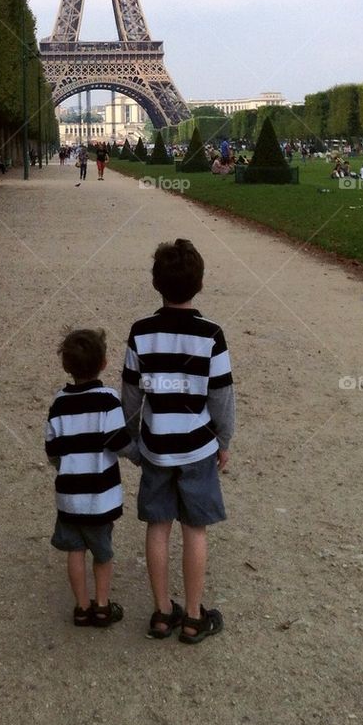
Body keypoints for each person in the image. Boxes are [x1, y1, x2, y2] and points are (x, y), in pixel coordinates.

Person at [122, 239, 235, 644]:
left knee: (157, 525)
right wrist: (223, 440)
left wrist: (134, 441)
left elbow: (131, 397)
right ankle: (191, 616)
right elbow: (221, 396)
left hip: (156, 447)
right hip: (197, 447)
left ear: (157, 284)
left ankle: (161, 611)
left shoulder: (141, 332)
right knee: (195, 528)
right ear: (199, 283)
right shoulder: (211, 335)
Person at [44, 328, 135, 627]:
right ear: (105, 363)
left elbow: (53, 450)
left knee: (74, 550)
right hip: (99, 496)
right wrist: (138, 455)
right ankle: (102, 605)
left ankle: (81, 607)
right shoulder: (108, 400)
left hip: (69, 495)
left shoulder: (59, 403)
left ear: (66, 366)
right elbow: (118, 442)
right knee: (102, 552)